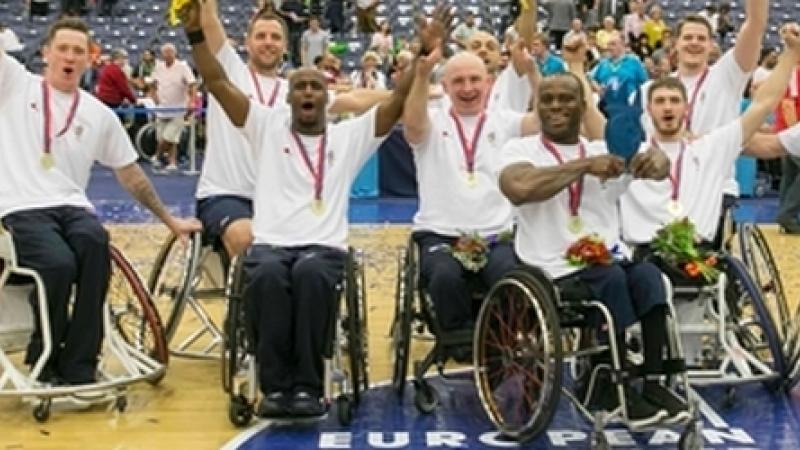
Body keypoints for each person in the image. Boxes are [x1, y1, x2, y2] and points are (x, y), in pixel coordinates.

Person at [177, 0, 445, 417]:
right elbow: (215, 80)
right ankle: (274, 386)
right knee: (264, 273)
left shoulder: (348, 137)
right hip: (271, 245)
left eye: (315, 86)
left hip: (323, 249)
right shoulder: (265, 127)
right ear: (288, 97)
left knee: (311, 274)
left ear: (327, 97)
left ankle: (305, 386)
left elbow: (394, 101)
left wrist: (423, 55)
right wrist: (195, 35)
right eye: (300, 86)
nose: (307, 92)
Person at [0, 17, 200, 386]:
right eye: (63, 48)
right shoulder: (14, 83)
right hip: (20, 207)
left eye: (79, 51)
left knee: (95, 248)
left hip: (73, 208)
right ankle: (44, 355)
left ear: (91, 59)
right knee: (58, 265)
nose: (70, 57)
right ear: (46, 54)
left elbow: (131, 176)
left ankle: (79, 363)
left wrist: (170, 221)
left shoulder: (98, 114)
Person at [497, 71, 689, 427]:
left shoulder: (606, 149)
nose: (556, 106)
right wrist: (584, 167)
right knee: (612, 278)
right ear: (536, 105)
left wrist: (654, 164)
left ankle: (651, 379)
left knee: (650, 277)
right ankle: (609, 379)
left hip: (604, 258)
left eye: (566, 99)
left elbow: (659, 164)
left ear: (583, 106)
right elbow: (519, 188)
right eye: (547, 99)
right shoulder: (520, 149)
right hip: (549, 265)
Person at [195, 0, 393, 258]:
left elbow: (353, 100)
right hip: (228, 194)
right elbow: (208, 20)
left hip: (279, 200)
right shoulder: (231, 72)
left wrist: (402, 95)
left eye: (276, 37)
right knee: (246, 238)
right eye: (261, 36)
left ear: (286, 46)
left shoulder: (295, 91)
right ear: (247, 42)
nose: (268, 42)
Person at [622, 24, 800, 246]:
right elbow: (600, 130)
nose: (668, 108)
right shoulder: (639, 141)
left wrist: (791, 53)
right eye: (660, 102)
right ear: (648, 109)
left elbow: (764, 106)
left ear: (686, 109)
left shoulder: (711, 143)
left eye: (675, 101)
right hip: (654, 214)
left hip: (710, 197)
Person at [151, 43, 197, 171]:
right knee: (162, 137)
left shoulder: (183, 67)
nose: (167, 55)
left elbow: (192, 84)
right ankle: (172, 162)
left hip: (178, 108)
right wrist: (154, 96)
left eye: (170, 52)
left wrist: (191, 101)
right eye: (165, 52)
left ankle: (157, 156)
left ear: (174, 53)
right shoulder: (158, 67)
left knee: (169, 136)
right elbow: (152, 83)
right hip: (162, 107)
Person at [590, 34, 648, 116]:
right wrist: (598, 88)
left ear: (622, 45)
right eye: (608, 45)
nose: (609, 47)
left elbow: (645, 82)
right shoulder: (603, 63)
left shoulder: (634, 62)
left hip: (629, 106)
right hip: (607, 107)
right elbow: (590, 78)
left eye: (613, 44)